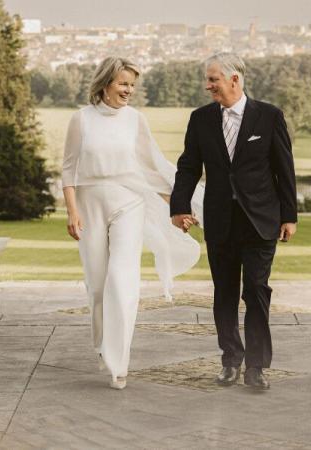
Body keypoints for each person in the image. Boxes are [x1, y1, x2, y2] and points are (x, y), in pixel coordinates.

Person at [62, 57, 202, 390]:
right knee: (97, 286)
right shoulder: (81, 120)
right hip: (90, 203)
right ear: (106, 83)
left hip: (129, 202)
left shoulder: (136, 120)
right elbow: (68, 170)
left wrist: (178, 206)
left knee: (123, 279)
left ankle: (118, 361)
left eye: (132, 85)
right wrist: (71, 211)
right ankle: (102, 346)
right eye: (123, 83)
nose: (129, 90)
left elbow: (152, 167)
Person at [170, 52, 297, 390]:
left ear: (234, 80)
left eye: (213, 79)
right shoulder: (200, 119)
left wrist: (289, 215)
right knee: (224, 293)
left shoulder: (269, 117)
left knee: (256, 291)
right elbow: (188, 166)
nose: (208, 85)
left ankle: (257, 366)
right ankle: (230, 360)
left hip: (261, 221)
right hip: (220, 222)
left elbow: (284, 169)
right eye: (208, 79)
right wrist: (179, 207)